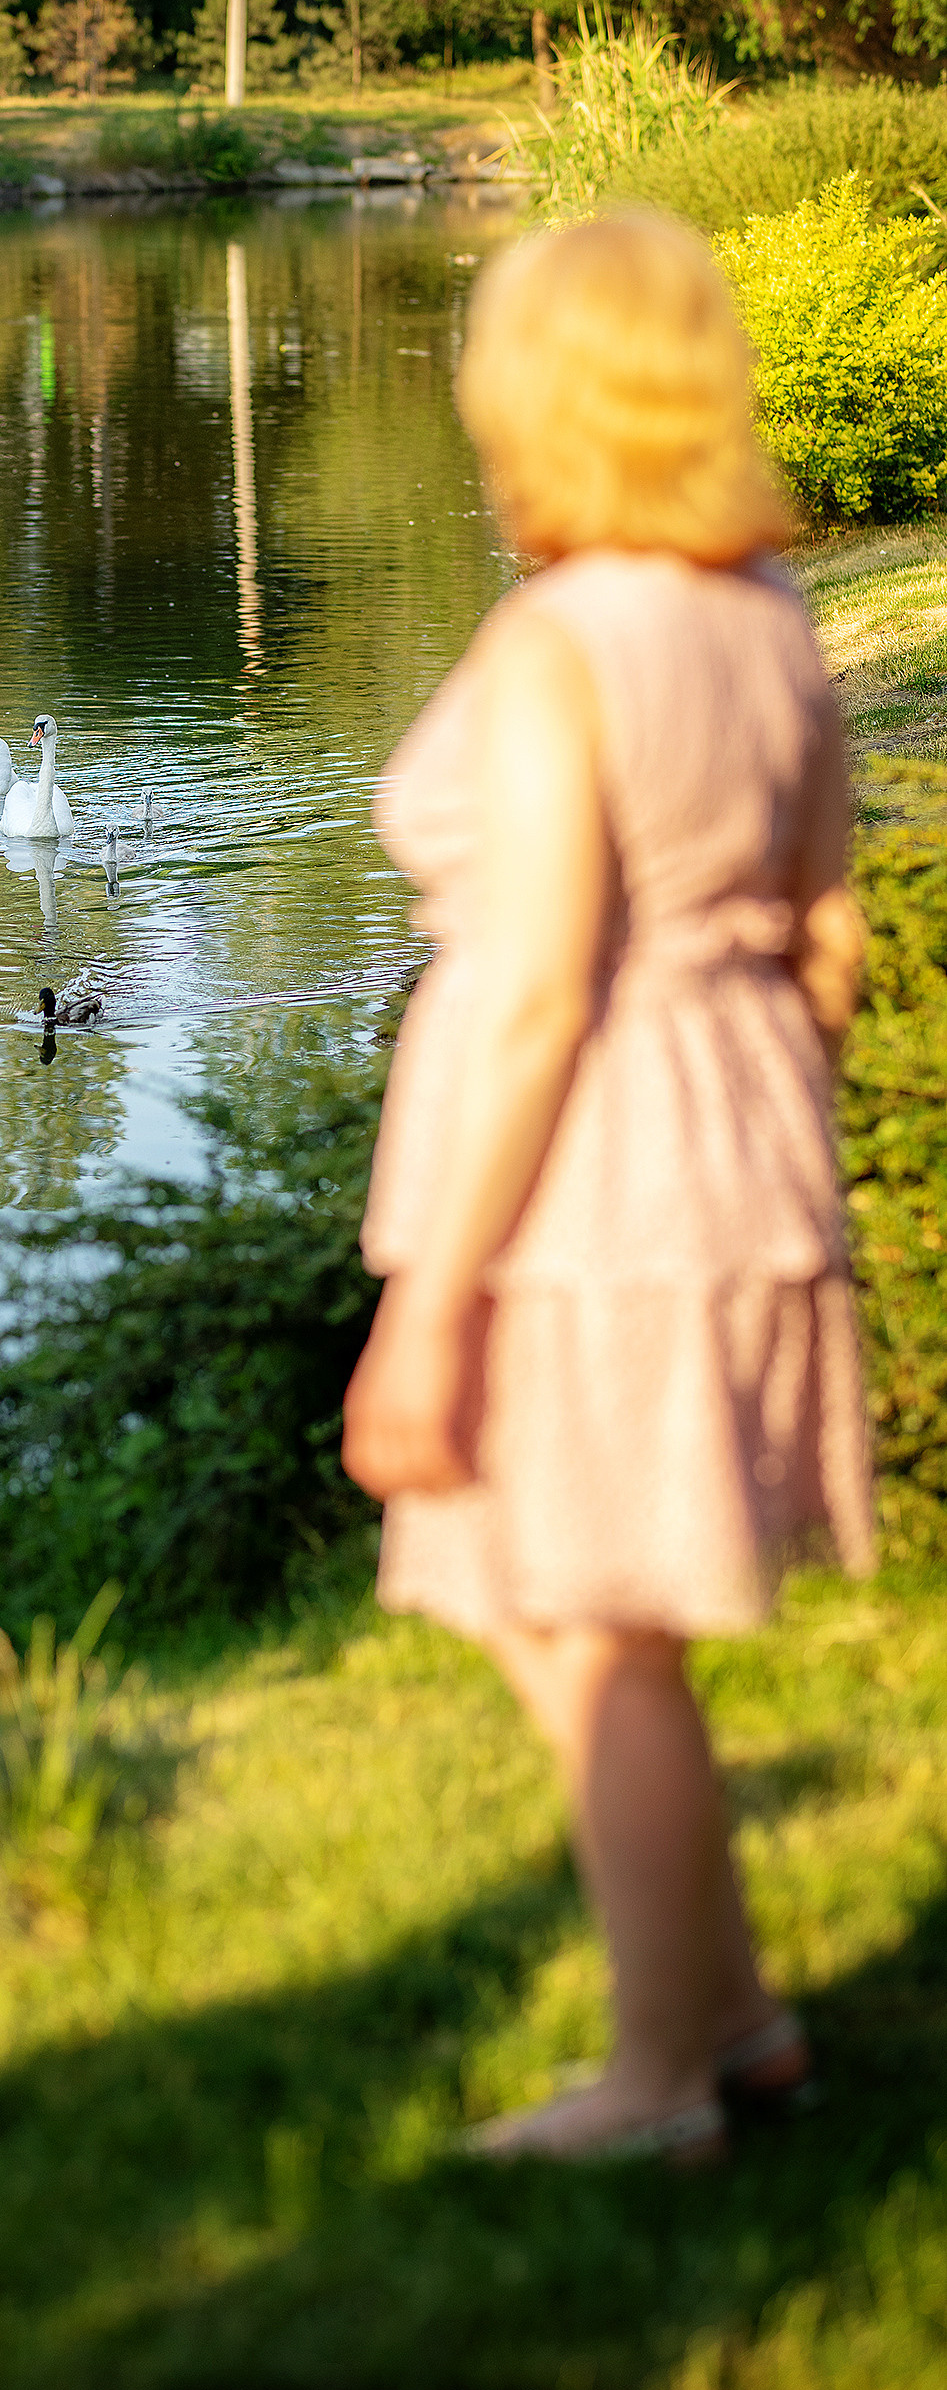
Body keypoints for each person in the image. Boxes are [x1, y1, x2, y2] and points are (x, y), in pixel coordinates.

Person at [341, 211, 875, 2163]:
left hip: (587, 1180)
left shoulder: (563, 641)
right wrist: (754, 1129)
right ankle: (735, 2020)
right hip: (736, 1148)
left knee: (583, 1611)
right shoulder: (768, 617)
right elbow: (827, 936)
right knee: (580, 1606)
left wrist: (428, 1304)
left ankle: (662, 2078)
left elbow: (542, 985)